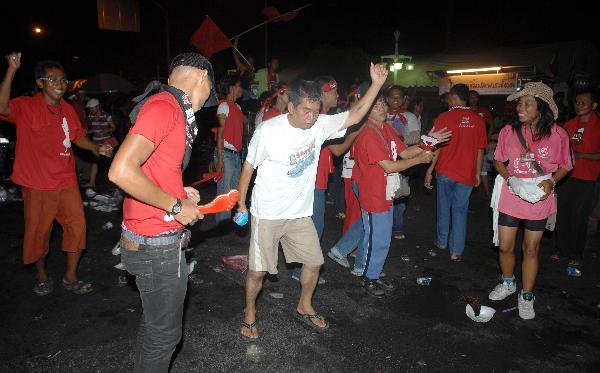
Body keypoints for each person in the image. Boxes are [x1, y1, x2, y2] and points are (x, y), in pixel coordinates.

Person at [237, 63, 389, 339]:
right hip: (268, 212)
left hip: (299, 214)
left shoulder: (319, 125)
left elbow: (354, 114)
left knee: (314, 262)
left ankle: (304, 304)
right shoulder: (269, 131)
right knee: (258, 272)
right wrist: (241, 203)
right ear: (290, 107)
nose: (311, 117)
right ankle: (249, 311)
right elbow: (248, 166)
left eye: (315, 111)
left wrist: (376, 84)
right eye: (306, 110)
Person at [108, 52, 216, 372]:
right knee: (165, 334)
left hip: (153, 241)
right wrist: (175, 205)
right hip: (156, 246)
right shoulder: (166, 106)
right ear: (200, 77)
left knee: (156, 327)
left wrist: (179, 192)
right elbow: (121, 171)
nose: (208, 98)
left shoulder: (166, 105)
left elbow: (150, 168)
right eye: (210, 88)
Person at [0, 53, 113, 296]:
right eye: (53, 80)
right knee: (39, 233)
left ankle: (70, 276)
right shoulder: (26, 105)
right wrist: (11, 69)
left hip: (66, 181)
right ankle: (41, 275)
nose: (60, 84)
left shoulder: (68, 109)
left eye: (63, 80)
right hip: (36, 184)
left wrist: (96, 147)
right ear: (40, 83)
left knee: (77, 228)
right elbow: (2, 107)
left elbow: (77, 137)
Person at [488, 82, 572, 320]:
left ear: (541, 107)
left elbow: (566, 164)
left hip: (539, 194)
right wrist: (510, 179)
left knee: (531, 248)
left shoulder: (557, 134)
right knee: (504, 245)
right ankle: (507, 282)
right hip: (512, 192)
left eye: (527, 104)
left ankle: (526, 295)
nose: (520, 108)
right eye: (519, 103)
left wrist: (552, 182)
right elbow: (498, 161)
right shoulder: (508, 131)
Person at [351, 93, 450, 296]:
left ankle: (373, 273)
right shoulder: (368, 133)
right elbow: (389, 166)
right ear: (366, 109)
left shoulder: (385, 127)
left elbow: (404, 152)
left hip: (385, 190)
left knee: (383, 237)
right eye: (375, 104)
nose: (380, 107)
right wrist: (420, 160)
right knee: (376, 238)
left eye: (382, 103)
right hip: (373, 192)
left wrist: (430, 141)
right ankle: (368, 279)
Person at [424, 83, 487, 261]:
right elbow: (480, 150)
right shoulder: (478, 120)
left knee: (443, 208)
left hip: (445, 171)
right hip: (466, 174)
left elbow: (435, 147)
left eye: (449, 97)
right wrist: (477, 174)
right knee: (460, 211)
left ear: (453, 97)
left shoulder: (443, 118)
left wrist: (429, 169)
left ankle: (442, 241)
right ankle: (456, 251)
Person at [554, 89, 600, 268]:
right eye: (577, 102)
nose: (578, 105)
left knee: (579, 217)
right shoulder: (570, 124)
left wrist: (581, 155)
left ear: (594, 105)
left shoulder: (597, 126)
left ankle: (576, 253)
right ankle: (560, 248)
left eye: (583, 102)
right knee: (562, 214)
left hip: (587, 178)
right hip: (566, 176)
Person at [385, 85, 421, 240]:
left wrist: (399, 139)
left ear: (403, 99)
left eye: (398, 96)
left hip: (403, 159)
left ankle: (398, 226)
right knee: (385, 195)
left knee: (400, 194)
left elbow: (416, 138)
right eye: (392, 96)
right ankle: (385, 226)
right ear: (387, 99)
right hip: (384, 160)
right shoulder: (381, 114)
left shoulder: (410, 117)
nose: (395, 99)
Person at [214, 74, 244, 225]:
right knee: (224, 193)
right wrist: (219, 159)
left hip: (235, 155)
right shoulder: (223, 106)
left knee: (233, 192)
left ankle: (226, 224)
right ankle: (221, 226)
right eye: (239, 85)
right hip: (225, 154)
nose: (241, 89)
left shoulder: (237, 107)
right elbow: (220, 134)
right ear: (232, 87)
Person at [84, 98, 117, 187]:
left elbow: (114, 127)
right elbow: (87, 129)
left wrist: (106, 130)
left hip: (107, 142)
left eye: (92, 108)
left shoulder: (106, 115)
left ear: (97, 106)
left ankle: (113, 183)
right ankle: (92, 182)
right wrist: (89, 131)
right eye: (89, 108)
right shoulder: (91, 117)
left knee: (109, 163)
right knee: (95, 162)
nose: (90, 110)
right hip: (96, 143)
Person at [469, 90, 494, 198]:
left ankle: (488, 195)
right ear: (468, 99)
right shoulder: (467, 111)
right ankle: (468, 191)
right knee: (469, 166)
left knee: (482, 167)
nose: (473, 99)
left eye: (475, 97)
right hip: (468, 145)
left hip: (480, 145)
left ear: (478, 99)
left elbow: (491, 125)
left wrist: (487, 137)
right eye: (471, 97)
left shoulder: (484, 111)